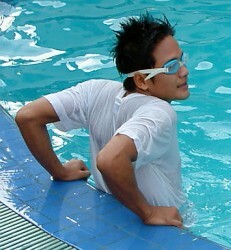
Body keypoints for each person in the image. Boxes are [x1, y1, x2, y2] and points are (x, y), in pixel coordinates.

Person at [15, 13, 190, 228]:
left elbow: (28, 116)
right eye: (171, 66)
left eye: (182, 59)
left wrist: (59, 171)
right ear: (141, 81)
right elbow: (110, 160)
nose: (184, 71)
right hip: (164, 225)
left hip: (111, 215)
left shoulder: (95, 90)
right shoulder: (160, 113)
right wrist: (148, 212)